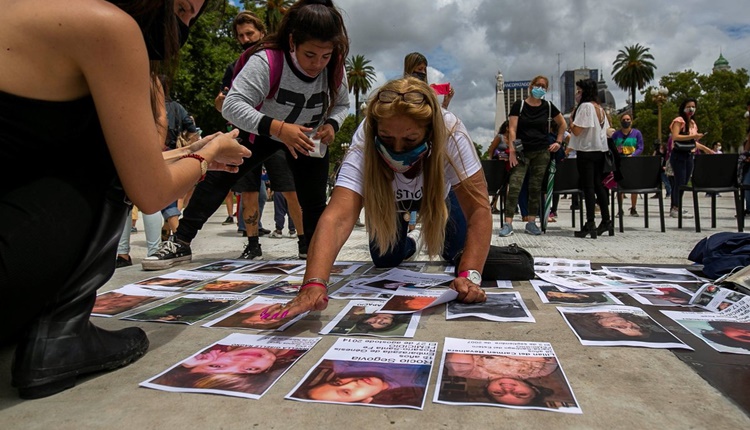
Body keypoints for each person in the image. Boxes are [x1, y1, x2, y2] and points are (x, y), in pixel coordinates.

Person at [0, 0, 251, 399]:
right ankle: (61, 337)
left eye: (193, 16)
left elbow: (137, 162)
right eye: (183, 8)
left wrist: (196, 150)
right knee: (108, 160)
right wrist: (206, 157)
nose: (184, 25)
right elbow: (145, 189)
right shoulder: (108, 26)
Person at [259, 77, 492, 322]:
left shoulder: (451, 131)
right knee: (385, 259)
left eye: (411, 140)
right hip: (392, 200)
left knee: (457, 253)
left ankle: (429, 244)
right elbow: (338, 216)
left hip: (440, 198)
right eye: (387, 139)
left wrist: (470, 275)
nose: (398, 150)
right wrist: (313, 285)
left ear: (430, 133)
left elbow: (478, 208)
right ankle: (409, 243)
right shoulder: (364, 137)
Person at [143, 0, 350, 269]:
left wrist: (332, 124)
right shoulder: (266, 60)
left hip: (306, 136)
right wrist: (277, 128)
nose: (317, 64)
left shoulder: (334, 66)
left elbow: (343, 104)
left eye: (325, 56)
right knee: (218, 178)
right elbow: (232, 105)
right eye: (309, 54)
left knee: (313, 199)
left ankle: (313, 252)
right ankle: (180, 241)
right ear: (292, 42)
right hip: (262, 130)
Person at [498, 76, 566, 237]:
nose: (540, 88)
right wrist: (513, 151)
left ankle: (531, 222)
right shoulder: (519, 105)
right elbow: (512, 129)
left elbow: (563, 124)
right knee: (514, 186)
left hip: (542, 152)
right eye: (538, 85)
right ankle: (507, 223)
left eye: (543, 86)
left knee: (535, 188)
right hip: (522, 151)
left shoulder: (548, 106)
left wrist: (559, 141)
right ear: (531, 86)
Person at [567, 78, 611, 239]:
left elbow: (578, 131)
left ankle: (590, 222)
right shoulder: (599, 108)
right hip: (599, 150)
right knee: (599, 186)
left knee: (588, 188)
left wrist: (571, 122)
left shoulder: (585, 107)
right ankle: (606, 220)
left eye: (579, 91)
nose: (577, 94)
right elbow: (606, 129)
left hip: (586, 151)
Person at [293, 359, 429, 406]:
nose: (352, 382)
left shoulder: (343, 368)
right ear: (365, 401)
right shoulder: (415, 383)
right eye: (346, 392)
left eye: (338, 383)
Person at [668, 97, 711, 219]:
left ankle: (678, 205)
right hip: (679, 154)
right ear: (683, 107)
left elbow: (692, 141)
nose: (691, 109)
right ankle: (675, 207)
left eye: (693, 106)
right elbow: (675, 137)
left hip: (690, 154)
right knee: (679, 181)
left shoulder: (692, 123)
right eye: (689, 106)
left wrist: (705, 149)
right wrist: (693, 136)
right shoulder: (679, 121)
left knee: (685, 182)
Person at [611, 113, 644, 217]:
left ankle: (633, 208)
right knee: (619, 186)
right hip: (620, 162)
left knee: (633, 186)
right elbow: (611, 147)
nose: (626, 121)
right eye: (624, 119)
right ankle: (620, 209)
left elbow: (640, 147)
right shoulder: (616, 135)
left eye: (628, 119)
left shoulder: (637, 133)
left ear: (631, 121)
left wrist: (633, 155)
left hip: (632, 162)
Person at [444, 353, 558, 381]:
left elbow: (457, 361)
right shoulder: (543, 371)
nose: (507, 389)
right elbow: (548, 357)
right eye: (521, 394)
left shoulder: (480, 373)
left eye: (497, 393)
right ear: (532, 390)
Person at [485, 120, 510, 215]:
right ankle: (493, 206)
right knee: (497, 186)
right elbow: (491, 149)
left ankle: (506, 206)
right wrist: (491, 162)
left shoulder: (512, 139)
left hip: (507, 165)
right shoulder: (500, 137)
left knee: (505, 186)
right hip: (498, 164)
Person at [485, 377, 554, 407]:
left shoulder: (475, 370)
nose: (507, 389)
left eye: (498, 392)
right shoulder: (543, 368)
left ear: (487, 387)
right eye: (521, 394)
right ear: (534, 389)